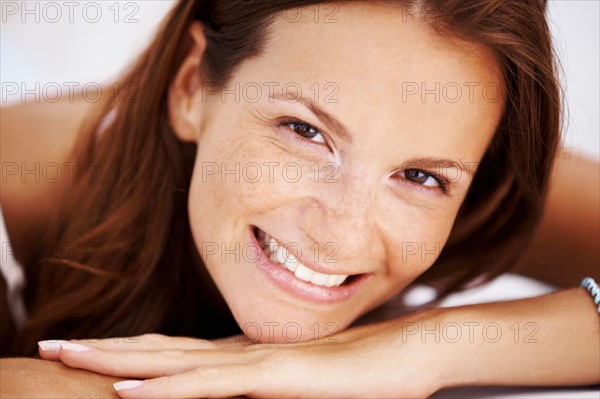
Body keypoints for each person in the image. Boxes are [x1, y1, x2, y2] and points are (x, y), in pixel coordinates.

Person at [1, 0, 598, 397]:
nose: (341, 231)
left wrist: (426, 346)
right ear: (190, 88)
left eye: (419, 178)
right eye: (305, 132)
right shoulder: (15, 194)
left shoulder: (476, 169)